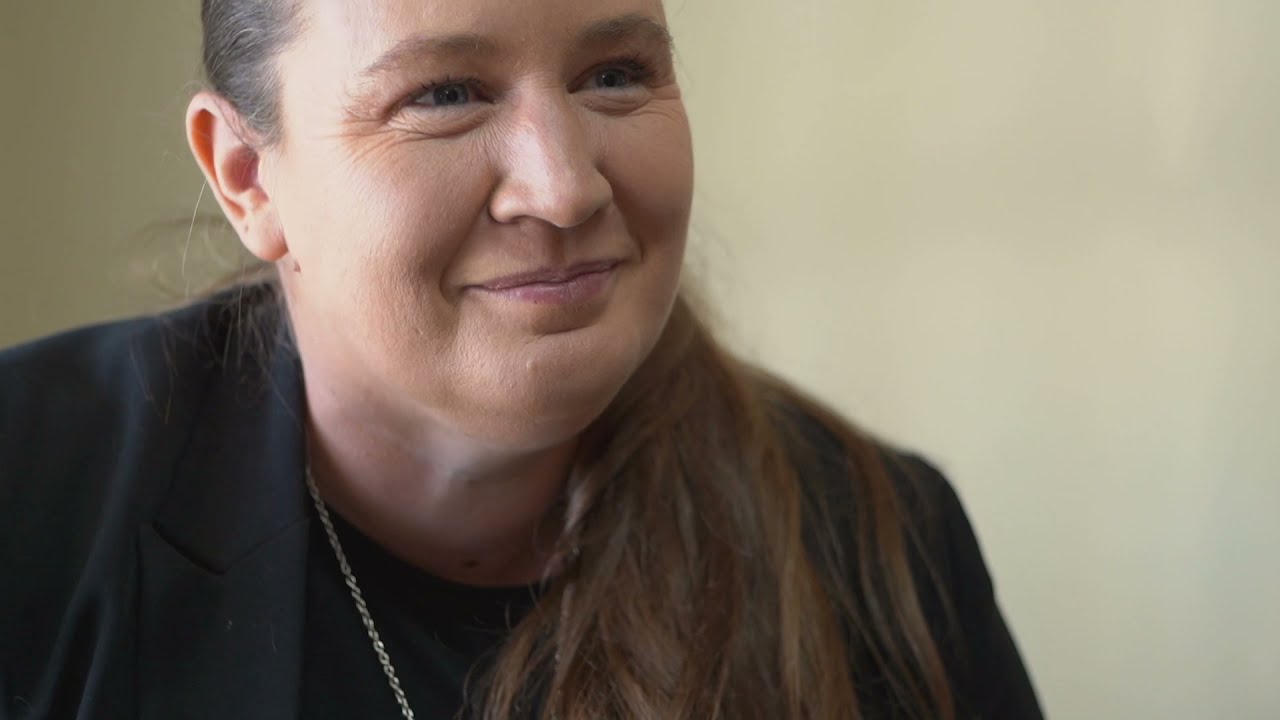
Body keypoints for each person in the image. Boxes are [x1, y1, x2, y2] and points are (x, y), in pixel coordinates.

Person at [0, 0, 1043, 718]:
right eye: (445, 94)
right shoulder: (30, 496)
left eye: (615, 75)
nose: (564, 187)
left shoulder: (883, 544)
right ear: (246, 178)